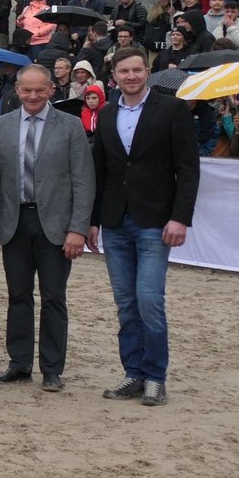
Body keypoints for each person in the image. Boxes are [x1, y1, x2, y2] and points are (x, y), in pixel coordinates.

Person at [90, 46, 201, 407]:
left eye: (137, 70)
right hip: (115, 221)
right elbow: (101, 171)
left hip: (155, 220)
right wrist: (92, 220)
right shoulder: (106, 113)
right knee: (126, 304)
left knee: (150, 301)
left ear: (147, 72)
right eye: (124, 71)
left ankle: (155, 377)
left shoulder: (172, 109)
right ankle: (133, 373)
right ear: (114, 76)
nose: (131, 76)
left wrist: (180, 217)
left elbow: (188, 168)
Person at [0, 64, 94, 392]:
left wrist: (78, 229)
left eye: (39, 90)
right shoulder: (0, 126)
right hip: (13, 222)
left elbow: (83, 180)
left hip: (56, 225)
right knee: (18, 295)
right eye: (26, 90)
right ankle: (19, 364)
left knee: (54, 296)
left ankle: (52, 368)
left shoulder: (70, 126)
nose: (32, 96)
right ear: (17, 90)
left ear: (51, 90)